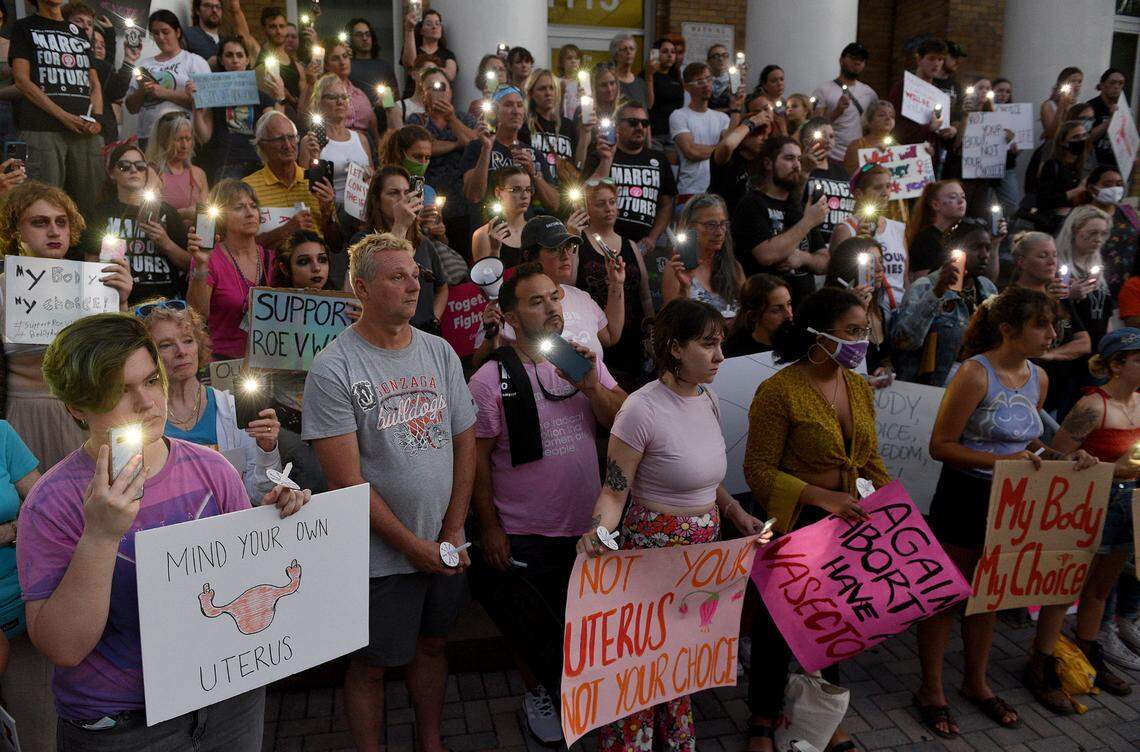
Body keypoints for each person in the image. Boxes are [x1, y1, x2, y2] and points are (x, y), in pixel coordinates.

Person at [17, 313, 308, 749]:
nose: (147, 403)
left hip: (225, 695)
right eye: (118, 391)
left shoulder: (212, 469)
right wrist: (99, 536)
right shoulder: (51, 501)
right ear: (76, 407)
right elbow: (63, 648)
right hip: (125, 722)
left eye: (152, 380)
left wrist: (273, 525)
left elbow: (240, 581)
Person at [303, 232, 475, 752]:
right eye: (396, 276)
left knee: (433, 647)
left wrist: (451, 530)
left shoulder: (440, 352)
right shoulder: (334, 368)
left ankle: (430, 741)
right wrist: (413, 547)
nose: (412, 286)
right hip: (379, 557)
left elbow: (465, 443)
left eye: (415, 276)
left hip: (442, 543)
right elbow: (345, 481)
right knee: (371, 666)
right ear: (361, 287)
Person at [579, 297, 772, 751]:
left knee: (680, 656)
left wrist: (734, 512)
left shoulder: (707, 398)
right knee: (641, 661)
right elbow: (614, 490)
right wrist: (597, 534)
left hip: (702, 554)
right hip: (652, 556)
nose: (720, 357)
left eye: (720, 344)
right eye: (707, 345)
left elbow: (706, 477)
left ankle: (675, 733)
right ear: (674, 348)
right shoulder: (640, 410)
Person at [915, 287, 1087, 739]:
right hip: (965, 496)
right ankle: (931, 690)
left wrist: (1061, 457)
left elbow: (1025, 437)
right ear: (1008, 330)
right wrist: (1001, 463)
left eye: (1055, 325)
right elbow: (941, 446)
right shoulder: (975, 374)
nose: (1052, 334)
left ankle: (976, 682)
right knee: (947, 596)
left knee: (990, 594)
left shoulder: (1038, 377)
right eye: (1041, 325)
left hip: (1013, 500)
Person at [469, 262, 626, 744]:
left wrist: (592, 387)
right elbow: (475, 463)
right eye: (536, 301)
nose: (552, 307)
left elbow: (623, 421)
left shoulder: (580, 359)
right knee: (529, 627)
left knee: (580, 624)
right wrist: (490, 527)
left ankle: (581, 698)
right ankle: (539, 692)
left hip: (585, 526)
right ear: (510, 316)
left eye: (554, 296)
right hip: (524, 531)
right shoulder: (489, 380)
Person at [743, 286, 889, 752]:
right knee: (776, 626)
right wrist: (820, 497)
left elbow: (867, 459)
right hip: (793, 522)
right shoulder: (779, 390)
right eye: (851, 332)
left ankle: (821, 715)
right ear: (818, 334)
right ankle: (763, 720)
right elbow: (758, 470)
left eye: (864, 331)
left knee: (831, 623)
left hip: (845, 524)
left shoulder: (859, 387)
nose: (860, 342)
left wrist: (892, 508)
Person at [1029, 329, 1140, 711]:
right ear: (1115, 364)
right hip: (1089, 504)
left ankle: (1089, 653)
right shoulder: (1094, 406)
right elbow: (1056, 459)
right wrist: (1113, 467)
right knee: (1064, 589)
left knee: (1100, 589)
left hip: (1127, 509)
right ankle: (1040, 665)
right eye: (1138, 358)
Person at [0, 181, 133, 470]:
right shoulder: (2, 288)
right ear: (15, 231)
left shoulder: (96, 284)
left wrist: (121, 303)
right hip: (21, 415)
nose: (54, 231)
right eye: (40, 222)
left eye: (61, 222)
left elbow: (120, 357)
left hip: (85, 413)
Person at [137, 298, 284, 501]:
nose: (181, 351)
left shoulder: (233, 409)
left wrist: (266, 449)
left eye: (188, 340)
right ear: (146, 357)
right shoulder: (140, 420)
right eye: (166, 345)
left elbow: (261, 496)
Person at [11, 0, 105, 217]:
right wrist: (63, 116)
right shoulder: (24, 27)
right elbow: (22, 80)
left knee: (92, 204)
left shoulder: (80, 32)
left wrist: (97, 120)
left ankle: (88, 252)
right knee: (42, 204)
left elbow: (95, 83)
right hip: (41, 129)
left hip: (85, 131)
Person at [80, 140, 189, 305]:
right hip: (118, 301)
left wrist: (166, 244)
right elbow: (90, 265)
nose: (133, 170)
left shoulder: (167, 212)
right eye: (124, 166)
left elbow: (190, 265)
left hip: (166, 304)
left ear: (146, 173)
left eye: (140, 166)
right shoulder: (100, 213)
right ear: (111, 173)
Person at [893, 220, 998, 386]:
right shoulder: (925, 287)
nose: (984, 255)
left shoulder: (987, 288)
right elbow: (905, 342)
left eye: (987, 247)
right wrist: (937, 292)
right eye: (976, 247)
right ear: (954, 251)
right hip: (930, 388)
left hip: (975, 384)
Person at [574, 178, 655, 388]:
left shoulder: (630, 245)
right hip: (599, 337)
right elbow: (569, 284)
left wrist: (652, 328)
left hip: (634, 339)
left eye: (612, 202)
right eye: (600, 204)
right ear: (586, 208)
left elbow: (644, 294)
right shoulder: (579, 242)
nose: (608, 208)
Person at [732, 136, 829, 304]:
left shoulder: (797, 205)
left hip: (803, 309)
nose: (797, 165)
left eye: (799, 159)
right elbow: (766, 255)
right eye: (789, 158)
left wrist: (803, 258)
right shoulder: (752, 203)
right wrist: (807, 222)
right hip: (766, 309)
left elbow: (825, 262)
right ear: (768, 164)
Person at [187, 179, 271, 360]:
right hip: (222, 362)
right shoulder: (210, 257)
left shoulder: (272, 258)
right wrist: (201, 265)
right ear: (222, 218)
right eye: (239, 208)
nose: (250, 213)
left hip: (266, 362)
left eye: (253, 206)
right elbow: (197, 316)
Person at [1010, 232, 1091, 417]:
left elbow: (1084, 343)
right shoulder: (1011, 298)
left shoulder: (1061, 297)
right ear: (1022, 262)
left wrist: (1051, 354)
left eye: (1054, 255)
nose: (1051, 261)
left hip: (1061, 389)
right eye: (1042, 255)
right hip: (1024, 390)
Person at [359, 166, 448, 333]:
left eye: (407, 193)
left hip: (424, 335)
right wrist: (400, 225)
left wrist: (434, 318)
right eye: (393, 193)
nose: (402, 199)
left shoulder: (423, 243)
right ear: (377, 201)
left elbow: (442, 288)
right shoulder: (363, 242)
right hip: (386, 336)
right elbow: (385, 270)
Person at [583, 101, 678, 249]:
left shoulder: (659, 159)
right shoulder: (599, 155)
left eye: (644, 123)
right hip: (603, 242)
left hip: (643, 246)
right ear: (617, 126)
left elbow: (666, 205)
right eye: (633, 122)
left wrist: (652, 238)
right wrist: (606, 160)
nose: (640, 127)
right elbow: (585, 194)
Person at [243, 110, 339, 252]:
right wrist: (287, 229)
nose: (288, 145)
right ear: (263, 145)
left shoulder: (315, 183)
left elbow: (336, 245)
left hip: (315, 270)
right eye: (279, 139)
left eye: (291, 137)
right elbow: (242, 247)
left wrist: (327, 212)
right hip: (270, 271)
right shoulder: (247, 189)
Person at [193, 36, 286, 181]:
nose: (235, 60)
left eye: (239, 55)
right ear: (221, 60)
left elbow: (277, 129)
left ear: (247, 60)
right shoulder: (213, 94)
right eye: (229, 55)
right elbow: (204, 137)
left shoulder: (262, 97)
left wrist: (280, 97)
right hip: (226, 164)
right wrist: (196, 109)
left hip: (257, 163)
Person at [407, 67, 478, 254]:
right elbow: (425, 147)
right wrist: (456, 144)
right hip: (429, 202)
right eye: (432, 88)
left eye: (442, 87)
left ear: (451, 91)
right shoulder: (417, 120)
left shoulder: (463, 118)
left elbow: (474, 144)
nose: (438, 92)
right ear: (423, 95)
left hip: (462, 201)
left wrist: (451, 118)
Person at [461, 86, 559, 213]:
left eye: (519, 105)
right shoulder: (477, 147)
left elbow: (554, 205)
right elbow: (473, 196)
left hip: (524, 230)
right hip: (488, 228)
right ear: (494, 113)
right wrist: (486, 149)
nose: (516, 111)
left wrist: (533, 172)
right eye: (508, 105)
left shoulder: (534, 154)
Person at [125, 10, 211, 143]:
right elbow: (131, 107)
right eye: (156, 33)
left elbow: (205, 105)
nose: (160, 37)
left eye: (165, 32)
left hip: (182, 137)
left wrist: (165, 93)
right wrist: (142, 91)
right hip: (149, 136)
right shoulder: (145, 64)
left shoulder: (194, 61)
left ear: (177, 32)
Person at [830, 163, 907, 303]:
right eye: (878, 188)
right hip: (866, 307)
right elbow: (838, 279)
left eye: (888, 186)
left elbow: (904, 280)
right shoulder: (846, 230)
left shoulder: (899, 229)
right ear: (859, 194)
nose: (885, 193)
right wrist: (858, 243)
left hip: (898, 313)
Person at [663, 192, 744, 317]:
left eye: (723, 224)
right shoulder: (677, 268)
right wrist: (684, 289)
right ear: (690, 226)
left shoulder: (734, 268)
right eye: (711, 225)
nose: (719, 232)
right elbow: (672, 323)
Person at [304, 74, 372, 209]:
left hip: (363, 209)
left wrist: (369, 175)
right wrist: (315, 157)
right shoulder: (311, 141)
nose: (340, 101)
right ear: (318, 102)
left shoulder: (361, 139)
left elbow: (373, 177)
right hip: (331, 210)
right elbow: (305, 186)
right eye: (332, 97)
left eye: (344, 97)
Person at [670, 62, 734, 200]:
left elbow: (730, 147)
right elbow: (691, 152)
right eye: (699, 81)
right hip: (690, 190)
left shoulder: (722, 118)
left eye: (709, 79)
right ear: (687, 87)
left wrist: (736, 110)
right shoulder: (679, 115)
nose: (706, 84)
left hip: (718, 191)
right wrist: (720, 149)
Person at [888, 38, 955, 163]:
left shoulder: (939, 94)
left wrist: (948, 131)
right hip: (905, 157)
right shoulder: (903, 87)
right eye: (931, 58)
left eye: (940, 59)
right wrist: (929, 128)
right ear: (919, 59)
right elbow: (893, 123)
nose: (936, 64)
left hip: (930, 158)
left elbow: (939, 127)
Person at [1056, 205, 1112, 354]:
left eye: (1103, 234)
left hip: (1098, 351)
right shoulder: (1056, 267)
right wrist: (1068, 295)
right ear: (1074, 231)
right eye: (1092, 233)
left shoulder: (1097, 267)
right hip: (1070, 350)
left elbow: (1106, 313)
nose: (1098, 240)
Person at [811, 42, 877, 162]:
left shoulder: (870, 93)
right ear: (841, 60)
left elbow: (875, 125)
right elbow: (814, 126)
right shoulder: (823, 90)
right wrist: (837, 111)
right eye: (853, 58)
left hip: (859, 157)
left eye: (861, 60)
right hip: (830, 155)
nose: (857, 62)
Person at [1085, 164, 1139, 299]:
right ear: (1092, 188)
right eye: (1108, 184)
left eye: (1119, 184)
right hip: (1096, 287)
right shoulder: (1083, 216)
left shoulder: (1127, 211)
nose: (1114, 189)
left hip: (1130, 286)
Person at [147, 112, 209, 227]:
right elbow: (148, 218)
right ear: (163, 140)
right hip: (164, 239)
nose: (184, 145)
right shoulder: (153, 172)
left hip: (195, 240)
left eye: (188, 139)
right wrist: (182, 214)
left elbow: (207, 218)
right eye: (178, 139)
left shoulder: (198, 174)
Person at [526, 69, 588, 182]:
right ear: (531, 93)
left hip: (564, 193)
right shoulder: (525, 125)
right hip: (535, 189)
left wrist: (584, 133)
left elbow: (579, 165)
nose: (548, 93)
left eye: (552, 88)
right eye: (542, 88)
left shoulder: (567, 125)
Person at [320, 40, 382, 151]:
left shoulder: (360, 93)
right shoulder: (322, 92)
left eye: (345, 56)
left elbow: (373, 127)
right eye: (335, 58)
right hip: (335, 144)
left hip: (364, 145)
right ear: (326, 65)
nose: (342, 62)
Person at [799, 118, 852, 244]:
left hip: (841, 242)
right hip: (811, 242)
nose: (828, 140)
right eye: (822, 135)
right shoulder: (798, 168)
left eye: (832, 136)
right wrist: (804, 172)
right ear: (807, 141)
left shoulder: (842, 172)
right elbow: (793, 201)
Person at [710, 104, 772, 212]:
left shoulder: (763, 163)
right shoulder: (729, 157)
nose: (765, 139)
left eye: (768, 135)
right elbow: (727, 145)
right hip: (721, 220)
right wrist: (753, 122)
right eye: (760, 133)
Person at [905, 179, 966, 281]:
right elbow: (923, 285)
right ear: (936, 205)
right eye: (953, 197)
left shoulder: (963, 234)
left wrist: (995, 244)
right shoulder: (925, 240)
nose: (961, 201)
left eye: (963, 196)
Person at [472, 166, 532, 267]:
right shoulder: (483, 235)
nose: (524, 195)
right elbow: (486, 279)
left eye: (528, 189)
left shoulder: (536, 229)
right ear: (498, 193)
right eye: (516, 189)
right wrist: (495, 251)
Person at [1035, 119, 1089, 233]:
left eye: (1084, 135)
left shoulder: (1080, 165)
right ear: (1063, 142)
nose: (1082, 140)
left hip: (1073, 221)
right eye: (1076, 137)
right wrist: (1079, 190)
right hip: (1053, 226)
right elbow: (1044, 200)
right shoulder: (1052, 165)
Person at [722, 273, 792, 357]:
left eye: (789, 304)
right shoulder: (733, 353)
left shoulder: (801, 342)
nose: (789, 315)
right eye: (776, 310)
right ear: (753, 316)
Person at [254, 8, 304, 124]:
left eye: (282, 26)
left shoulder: (298, 66)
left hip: (293, 122)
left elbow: (303, 104)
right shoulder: (257, 53)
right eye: (273, 26)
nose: (278, 31)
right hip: (266, 121)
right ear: (264, 30)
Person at [345, 17, 400, 109]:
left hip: (381, 117)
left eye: (367, 34)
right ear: (351, 38)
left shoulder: (384, 66)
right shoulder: (346, 66)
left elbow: (395, 98)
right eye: (359, 35)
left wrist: (385, 101)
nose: (364, 38)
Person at [1086, 68, 1128, 170]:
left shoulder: (1123, 107)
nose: (1117, 86)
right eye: (1113, 82)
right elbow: (1086, 138)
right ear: (1103, 85)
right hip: (1095, 165)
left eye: (1120, 83)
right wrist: (1110, 120)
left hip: (1117, 166)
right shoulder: (1090, 107)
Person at [841, 99, 896, 175]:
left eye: (892, 116)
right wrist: (874, 161)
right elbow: (852, 175)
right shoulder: (857, 146)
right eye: (882, 115)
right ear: (870, 121)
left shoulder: (898, 147)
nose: (888, 118)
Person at [648, 38, 684, 147]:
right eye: (665, 51)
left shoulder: (676, 77)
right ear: (655, 53)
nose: (670, 55)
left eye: (673, 52)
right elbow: (648, 105)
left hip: (674, 132)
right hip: (654, 133)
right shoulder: (647, 76)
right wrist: (649, 76)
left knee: (672, 164)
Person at [1040, 67, 1083, 142]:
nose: (1077, 85)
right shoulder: (1048, 105)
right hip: (1053, 150)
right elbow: (1051, 135)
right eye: (1072, 81)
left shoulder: (1078, 105)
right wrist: (1062, 106)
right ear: (1062, 83)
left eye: (1079, 81)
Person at [611, 33, 650, 108]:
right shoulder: (610, 81)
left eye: (631, 49)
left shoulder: (641, 83)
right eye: (624, 49)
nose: (629, 52)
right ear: (615, 55)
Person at [184, 0, 224, 67]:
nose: (214, 10)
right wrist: (206, 65)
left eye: (217, 6)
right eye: (208, 6)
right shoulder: (187, 35)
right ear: (197, 10)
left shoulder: (226, 40)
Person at [467, 54, 507, 118]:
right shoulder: (476, 106)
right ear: (483, 75)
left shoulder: (517, 100)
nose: (499, 72)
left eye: (502, 69)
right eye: (493, 69)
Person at [556, 44, 583, 121]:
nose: (573, 61)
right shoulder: (556, 81)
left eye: (577, 58)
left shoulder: (584, 82)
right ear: (561, 62)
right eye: (569, 58)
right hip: (562, 121)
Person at [706, 44, 732, 112]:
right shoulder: (704, 80)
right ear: (708, 61)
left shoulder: (734, 80)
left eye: (724, 55)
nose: (720, 59)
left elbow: (738, 107)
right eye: (716, 56)